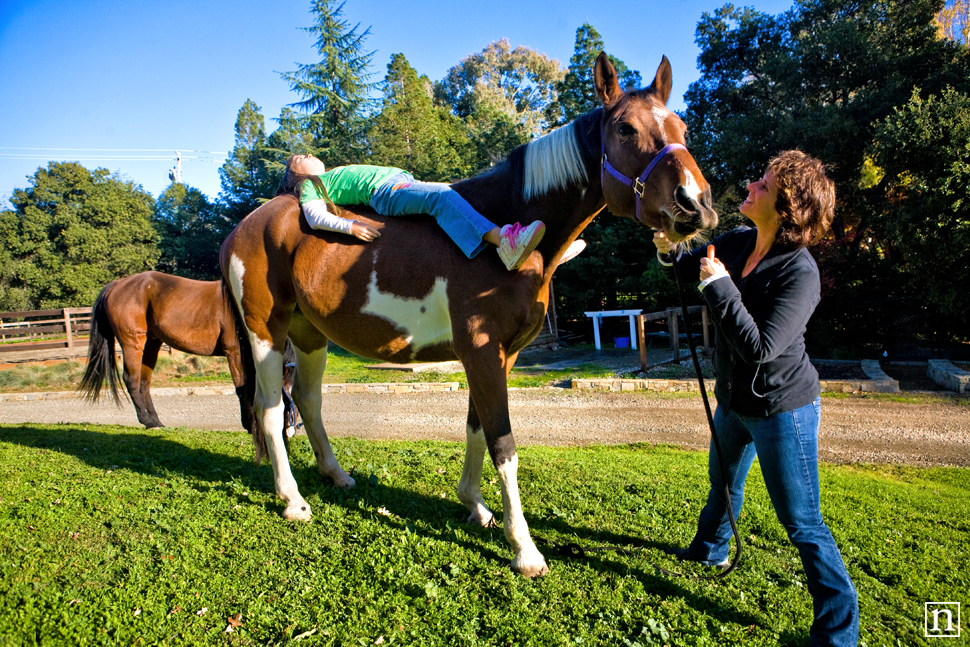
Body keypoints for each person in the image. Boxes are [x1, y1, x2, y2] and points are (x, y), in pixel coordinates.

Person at [654, 150, 859, 646]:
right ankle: (710, 549)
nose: (752, 184)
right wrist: (668, 249)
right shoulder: (741, 241)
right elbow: (694, 267)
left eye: (764, 184)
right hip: (734, 400)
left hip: (781, 409)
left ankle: (840, 632)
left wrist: (721, 288)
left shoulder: (800, 273)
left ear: (787, 206)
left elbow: (762, 349)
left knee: (801, 521)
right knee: (721, 482)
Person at [277, 154, 546, 271]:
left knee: (464, 196)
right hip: (386, 192)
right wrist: (351, 226)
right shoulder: (310, 185)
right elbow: (314, 217)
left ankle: (535, 252)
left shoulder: (327, 176)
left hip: (401, 183)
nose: (308, 154)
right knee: (442, 197)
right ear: (296, 175)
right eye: (300, 158)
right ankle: (506, 242)